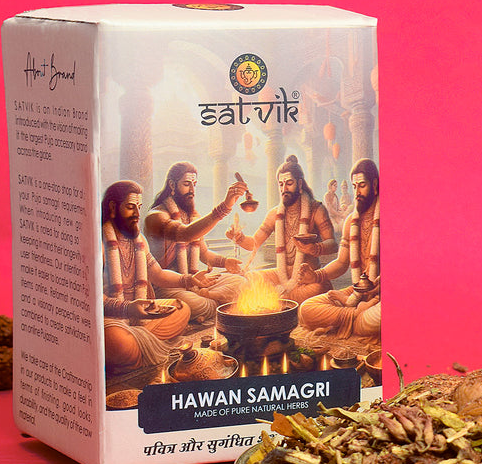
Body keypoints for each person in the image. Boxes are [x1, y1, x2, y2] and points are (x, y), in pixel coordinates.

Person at [102, 180, 219, 379]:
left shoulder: (138, 241)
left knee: (181, 309)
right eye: (130, 207)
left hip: (139, 312)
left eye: (139, 207)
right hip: (112, 317)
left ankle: (137, 343)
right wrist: (127, 308)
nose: (137, 214)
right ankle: (131, 347)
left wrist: (189, 279)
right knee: (117, 342)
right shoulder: (99, 242)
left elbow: (158, 274)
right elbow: (92, 300)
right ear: (113, 208)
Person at [144, 161, 248, 323]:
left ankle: (210, 299)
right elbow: (185, 234)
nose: (192, 190)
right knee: (197, 304)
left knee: (241, 283)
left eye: (194, 184)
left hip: (194, 281)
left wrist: (225, 262)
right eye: (186, 184)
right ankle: (216, 303)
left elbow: (204, 253)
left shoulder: (192, 216)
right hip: (166, 286)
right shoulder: (156, 217)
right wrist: (224, 207)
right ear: (172, 184)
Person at [226, 155, 336, 303]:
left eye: (289, 183)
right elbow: (254, 243)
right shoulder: (274, 214)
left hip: (307, 278)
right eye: (281, 184)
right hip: (281, 275)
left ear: (299, 183)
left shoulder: (316, 209)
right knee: (250, 278)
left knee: (317, 289)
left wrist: (315, 248)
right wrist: (239, 238)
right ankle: (282, 298)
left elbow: (332, 244)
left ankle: (278, 298)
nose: (284, 189)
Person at [297, 158, 380, 339]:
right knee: (306, 309)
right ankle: (355, 315)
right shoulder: (351, 221)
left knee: (376, 318)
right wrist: (316, 276)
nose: (357, 192)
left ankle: (355, 317)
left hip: (382, 294)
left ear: (374, 185)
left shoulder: (389, 217)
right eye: (354, 186)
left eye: (362, 186)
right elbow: (342, 263)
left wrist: (375, 296)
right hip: (357, 292)